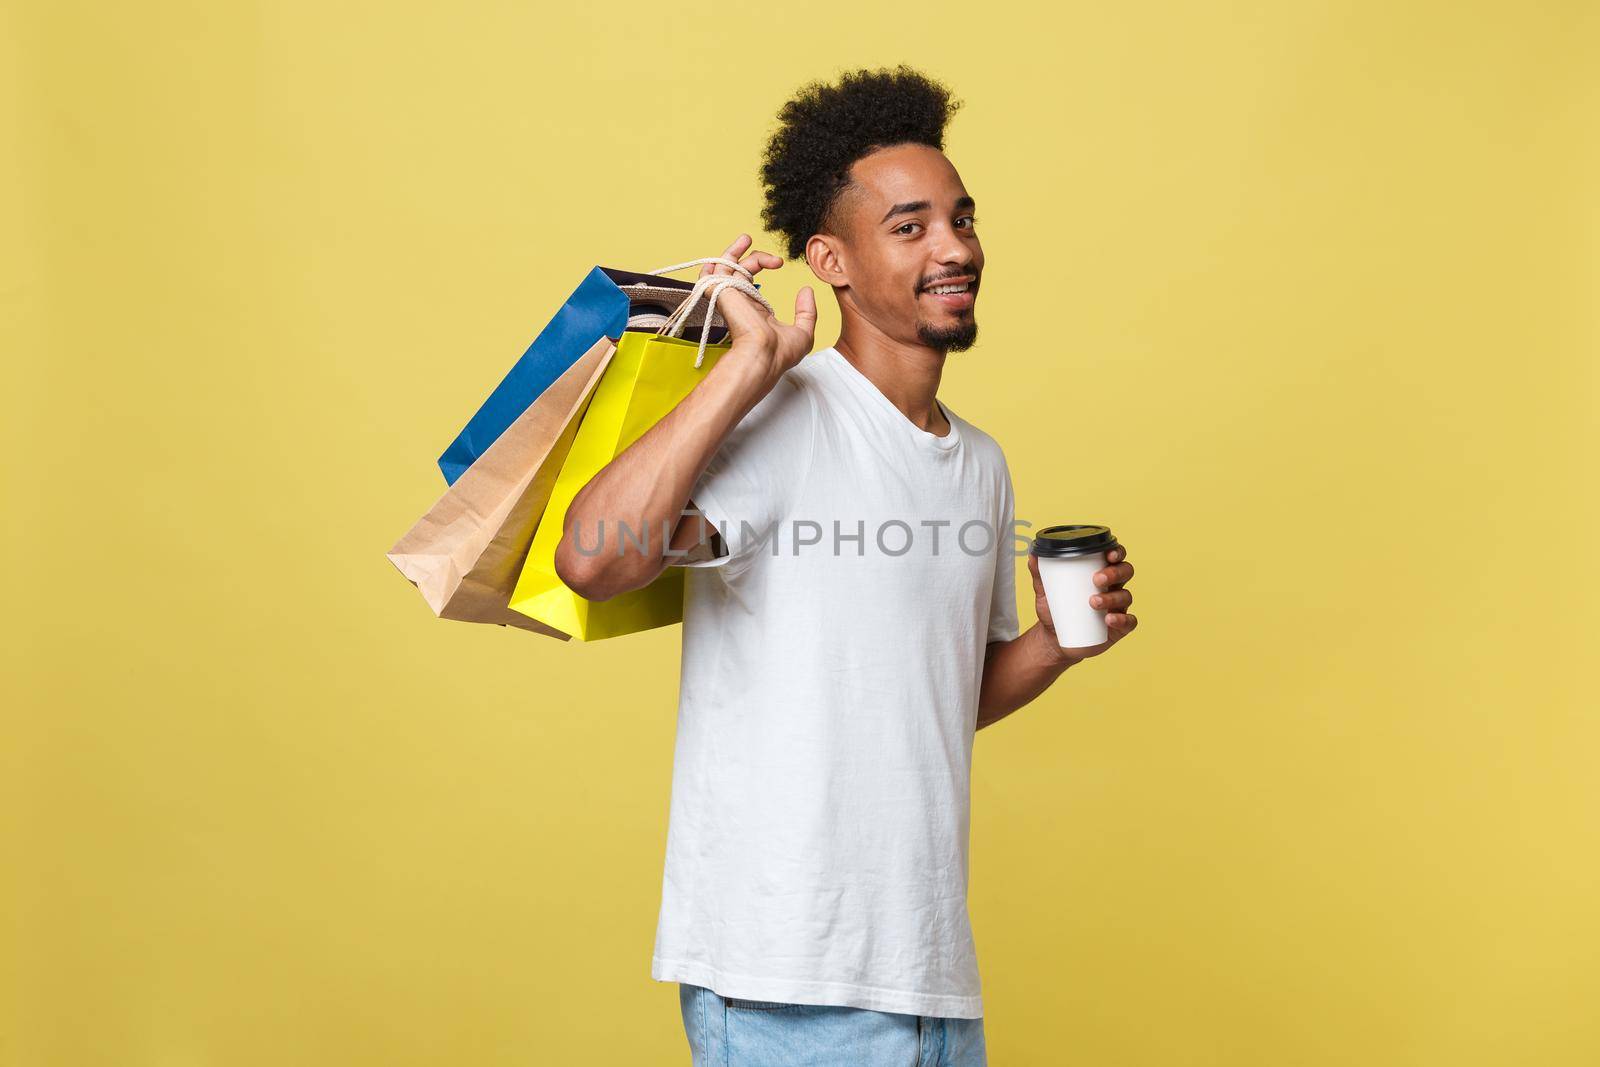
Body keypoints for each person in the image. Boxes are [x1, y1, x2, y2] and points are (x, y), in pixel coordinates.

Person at [555, 65, 1139, 1066]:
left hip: (927, 974)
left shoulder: (981, 463)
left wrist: (1051, 643)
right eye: (909, 227)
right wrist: (748, 365)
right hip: (789, 975)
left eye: (960, 219)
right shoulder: (788, 414)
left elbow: (924, 701)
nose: (955, 247)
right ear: (829, 258)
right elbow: (592, 558)